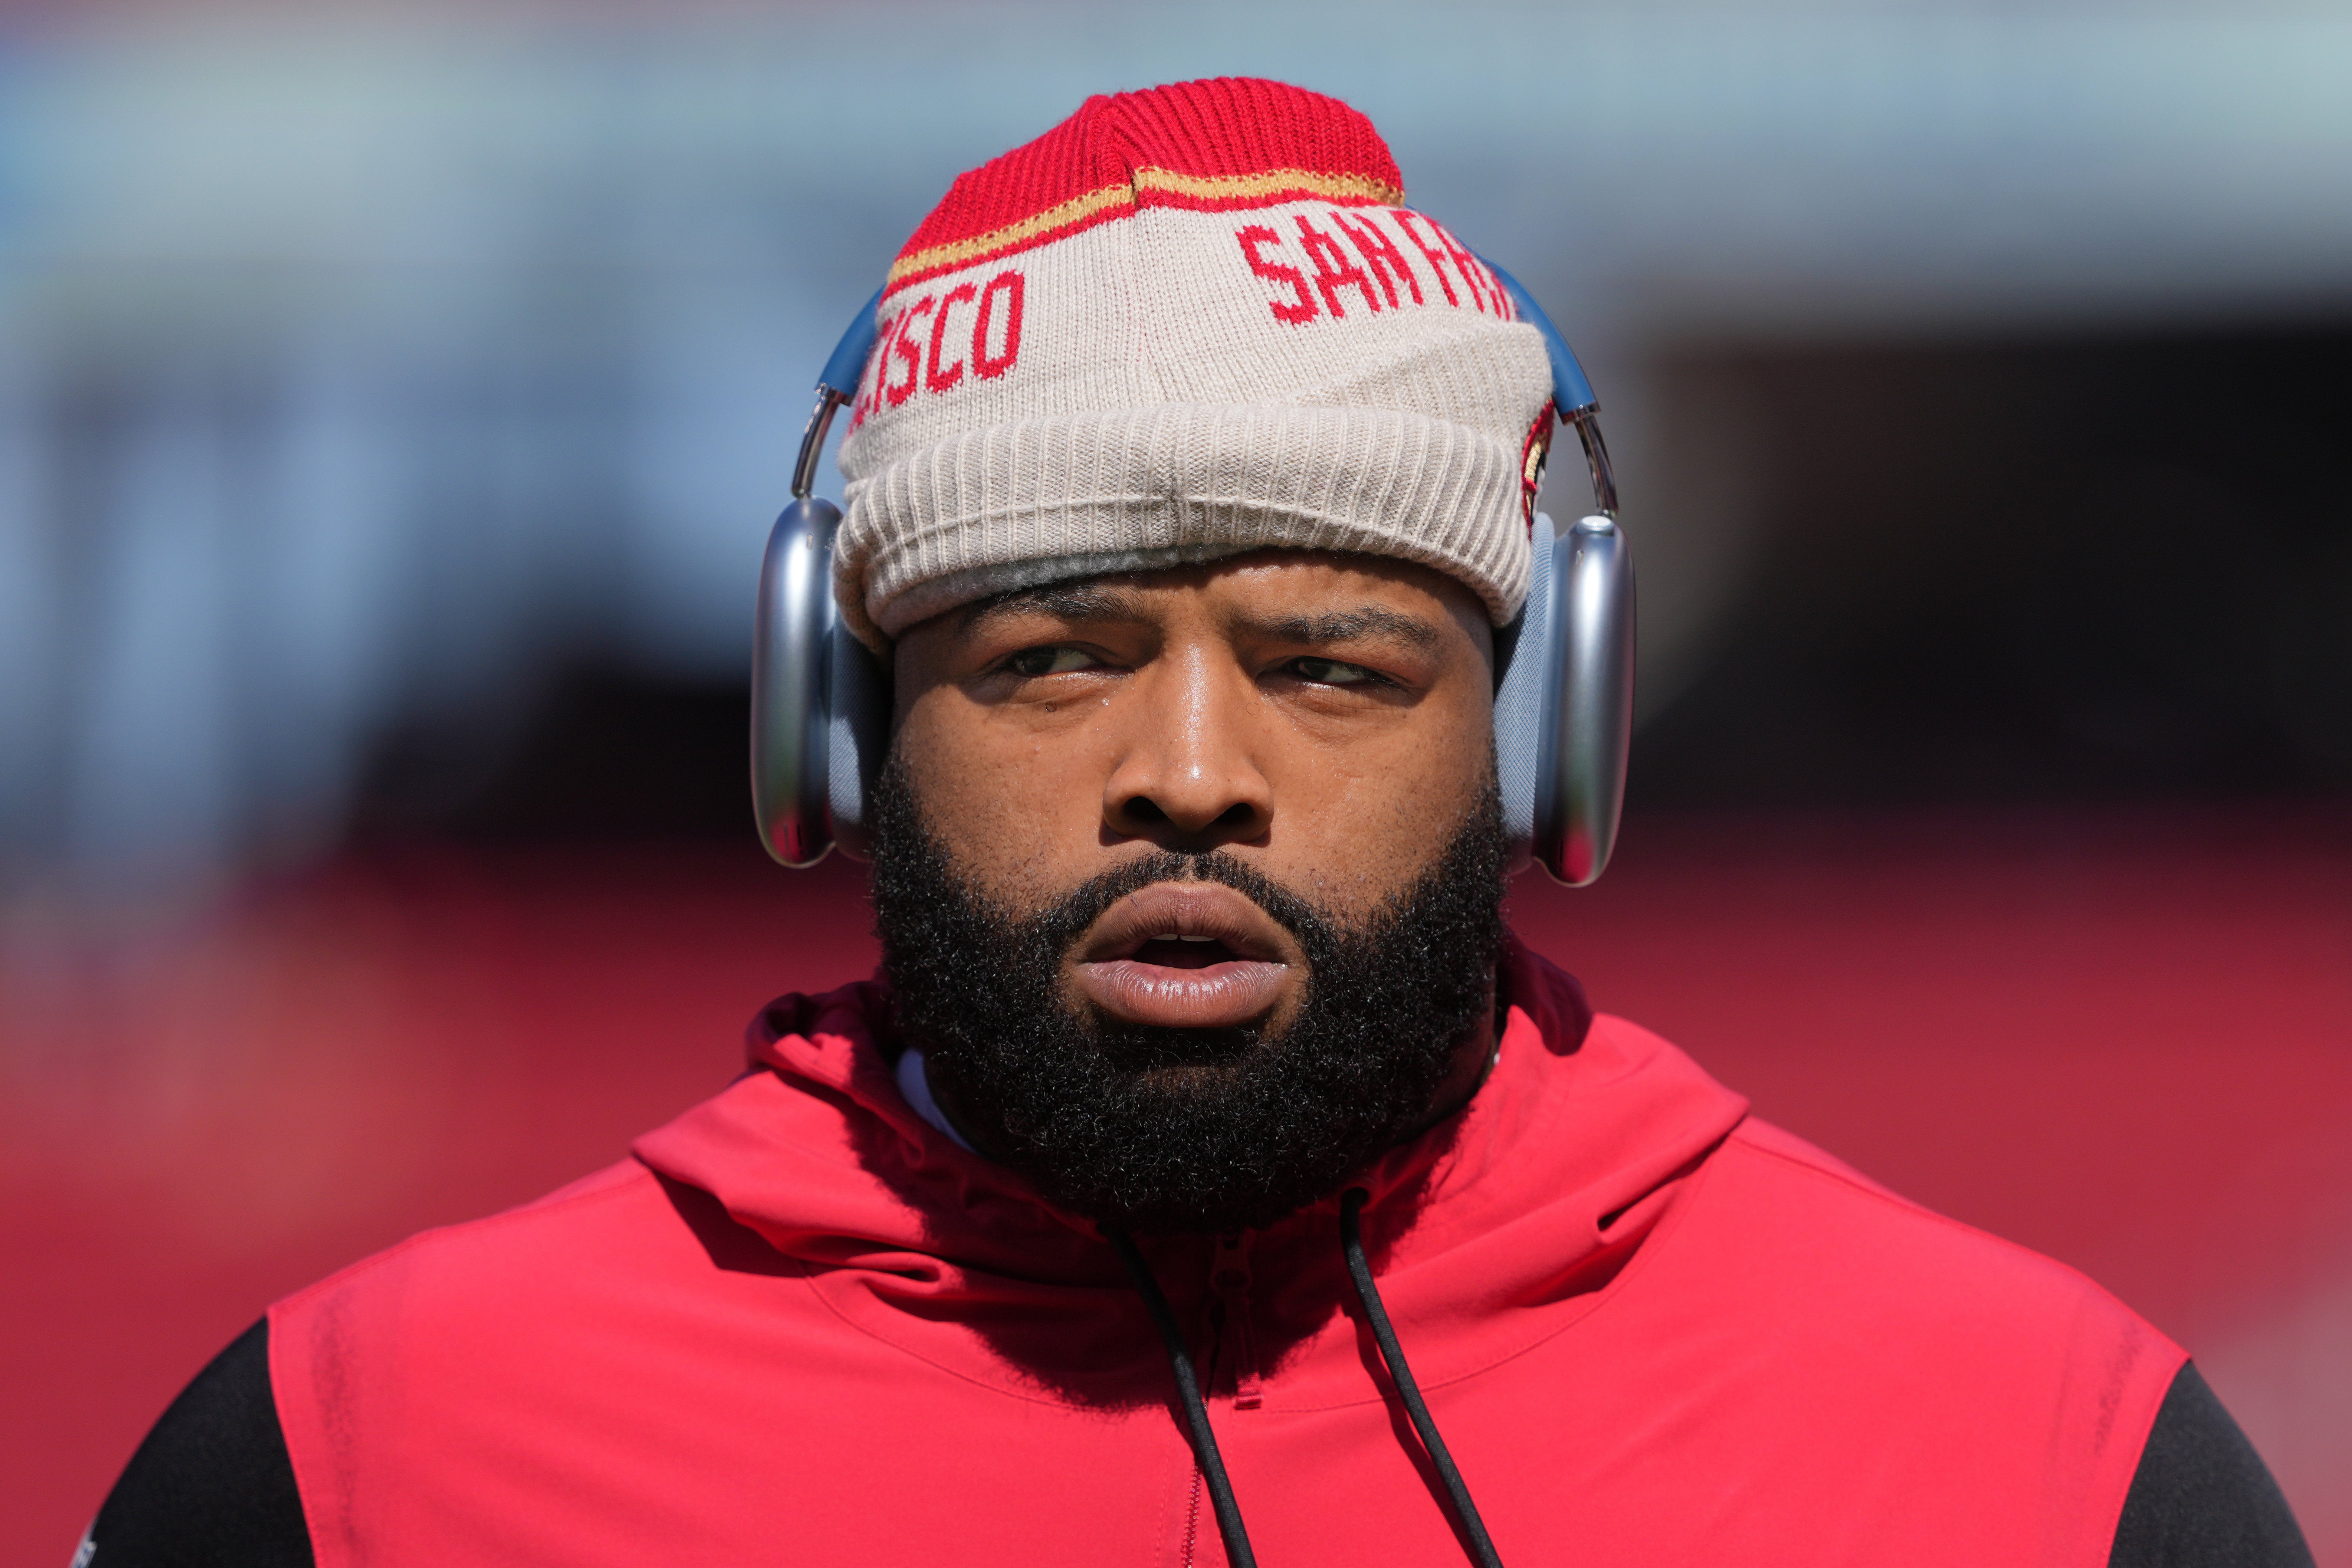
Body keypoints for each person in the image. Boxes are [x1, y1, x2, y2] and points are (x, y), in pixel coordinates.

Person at [85, 77, 2310, 1568]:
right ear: (836, 724)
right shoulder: (358, 1465)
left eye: (1332, 661)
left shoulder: (2039, 1464)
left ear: (1547, 736)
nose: (1188, 766)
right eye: (1049, 654)